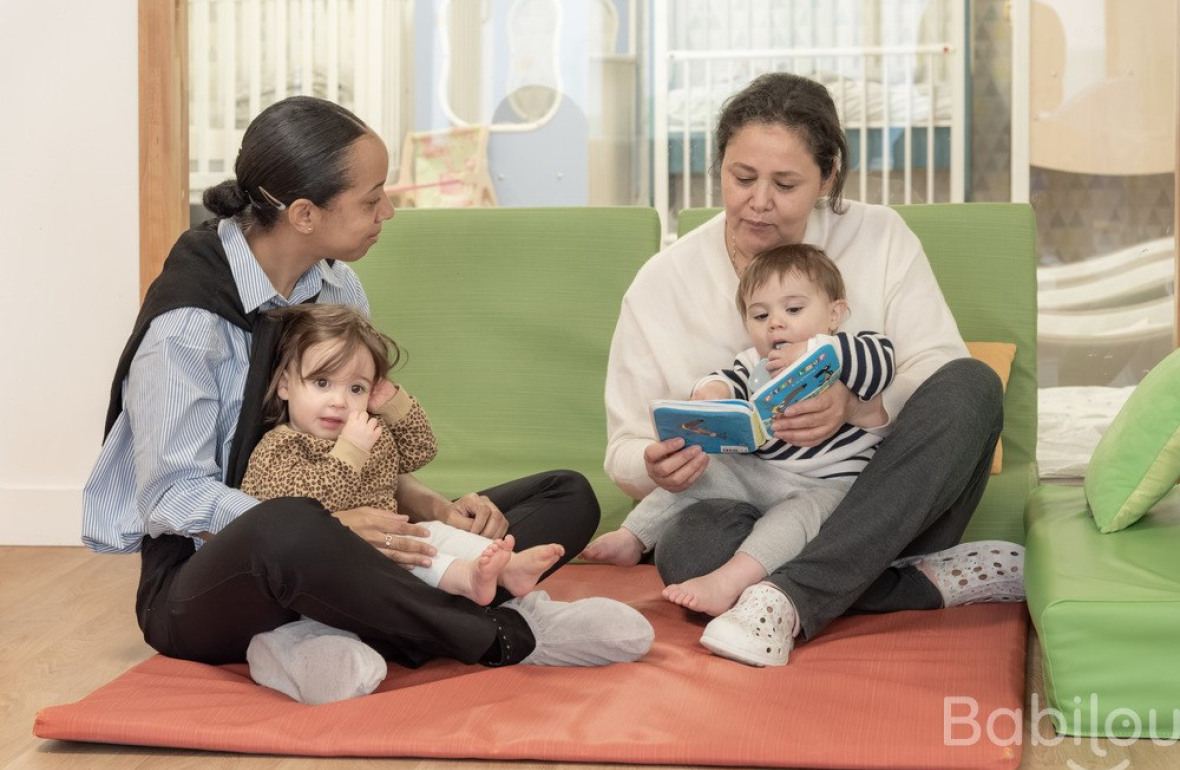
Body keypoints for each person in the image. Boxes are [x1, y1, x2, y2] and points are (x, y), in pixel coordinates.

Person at [81, 96, 653, 705]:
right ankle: (497, 632)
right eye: (371, 198)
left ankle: (340, 626)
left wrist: (432, 506)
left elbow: (354, 443)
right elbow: (170, 496)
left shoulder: (337, 286)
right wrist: (329, 530)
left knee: (566, 494)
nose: (389, 211)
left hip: (344, 531)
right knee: (290, 528)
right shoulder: (186, 327)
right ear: (305, 214)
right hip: (216, 576)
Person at [602, 72, 1024, 668]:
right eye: (741, 177)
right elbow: (623, 448)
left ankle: (786, 598)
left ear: (827, 178)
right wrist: (654, 466)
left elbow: (937, 368)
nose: (759, 201)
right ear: (718, 167)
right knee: (690, 553)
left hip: (880, 500)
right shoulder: (662, 283)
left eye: (785, 184)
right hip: (755, 513)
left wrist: (855, 404)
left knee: (972, 384)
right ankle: (916, 582)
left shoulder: (880, 236)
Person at [239, 303, 568, 701]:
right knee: (409, 556)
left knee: (432, 534)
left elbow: (420, 449)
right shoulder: (280, 446)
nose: (339, 401)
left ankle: (500, 571)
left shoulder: (367, 430)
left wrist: (390, 400)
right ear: (285, 385)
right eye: (322, 383)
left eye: (356, 388)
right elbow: (299, 511)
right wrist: (350, 452)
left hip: (394, 541)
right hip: (327, 568)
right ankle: (465, 593)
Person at [586, 244, 894, 629]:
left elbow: (881, 361)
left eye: (793, 310)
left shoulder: (850, 352)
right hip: (759, 474)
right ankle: (634, 536)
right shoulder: (754, 364)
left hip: (825, 486)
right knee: (706, 469)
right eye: (760, 315)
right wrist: (711, 392)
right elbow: (726, 381)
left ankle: (729, 581)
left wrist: (817, 349)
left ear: (834, 314)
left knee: (794, 519)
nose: (775, 324)